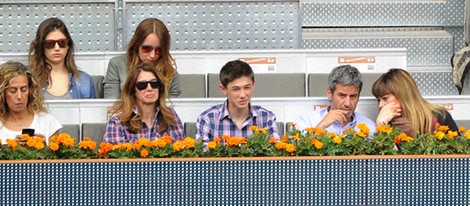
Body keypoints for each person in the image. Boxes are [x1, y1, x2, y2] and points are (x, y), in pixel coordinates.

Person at [195, 60, 280, 143]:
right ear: (223, 89)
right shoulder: (207, 119)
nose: (242, 95)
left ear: (253, 85)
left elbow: (276, 154)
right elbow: (202, 155)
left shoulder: (266, 118)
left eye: (247, 87)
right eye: (236, 89)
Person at [103, 63, 184, 144]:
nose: (149, 88)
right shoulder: (118, 121)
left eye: (154, 83)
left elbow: (180, 152)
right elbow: (115, 154)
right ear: (132, 90)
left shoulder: (170, 115)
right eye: (142, 85)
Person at [103, 18, 181, 99]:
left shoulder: (171, 74)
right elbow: (110, 103)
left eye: (159, 50)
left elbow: (171, 108)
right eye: (147, 49)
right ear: (137, 45)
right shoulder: (117, 65)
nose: (152, 55)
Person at [373, 68, 458, 137]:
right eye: (378, 100)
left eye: (385, 98)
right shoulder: (385, 122)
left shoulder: (440, 116)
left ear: (403, 94)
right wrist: (381, 125)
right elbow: (390, 157)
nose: (380, 105)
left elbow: (459, 152)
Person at [294, 65, 376, 135]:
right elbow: (296, 151)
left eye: (353, 96)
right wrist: (321, 126)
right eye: (342, 95)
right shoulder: (306, 121)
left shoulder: (370, 128)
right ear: (330, 94)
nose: (347, 103)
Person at [28, 17, 96, 99]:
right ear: (41, 46)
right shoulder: (29, 79)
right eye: (50, 43)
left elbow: (91, 111)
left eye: (62, 42)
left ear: (68, 45)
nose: (57, 48)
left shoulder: (85, 81)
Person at [0, 61, 62, 144]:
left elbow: (58, 156)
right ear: (2, 93)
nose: (19, 96)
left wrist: (45, 148)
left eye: (24, 89)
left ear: (31, 90)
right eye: (13, 91)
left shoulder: (47, 122)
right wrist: (11, 147)